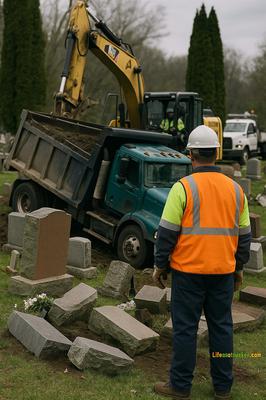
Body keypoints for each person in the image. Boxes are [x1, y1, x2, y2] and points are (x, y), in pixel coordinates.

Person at [153, 125, 251, 400]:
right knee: (222, 328)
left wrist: (160, 265)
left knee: (185, 330)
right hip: (222, 274)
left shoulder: (182, 188)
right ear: (216, 153)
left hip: (188, 274)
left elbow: (167, 233)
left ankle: (180, 387)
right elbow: (244, 237)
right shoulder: (236, 190)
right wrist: (239, 267)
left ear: (191, 154)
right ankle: (223, 388)